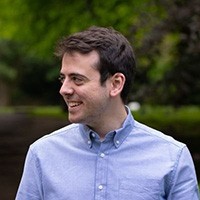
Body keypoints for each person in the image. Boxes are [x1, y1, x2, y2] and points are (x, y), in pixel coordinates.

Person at [16, 26, 199, 200]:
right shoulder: (42, 154)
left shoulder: (172, 158)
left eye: (77, 79)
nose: (64, 89)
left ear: (116, 84)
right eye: (63, 78)